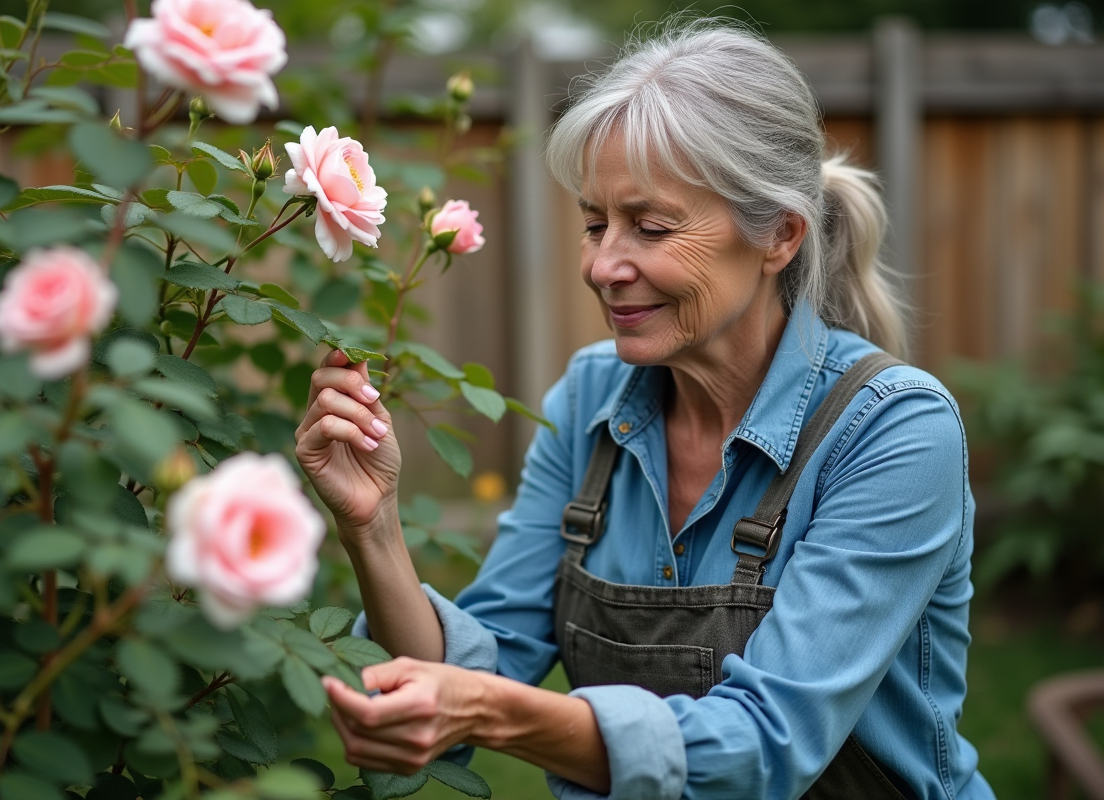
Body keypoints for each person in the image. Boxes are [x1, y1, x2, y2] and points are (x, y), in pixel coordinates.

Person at [293, 19, 997, 800]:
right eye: (595, 224)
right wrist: (373, 525)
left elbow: (768, 744)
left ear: (780, 237)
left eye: (651, 227)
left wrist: (491, 713)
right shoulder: (592, 400)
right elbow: (463, 675)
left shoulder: (894, 432)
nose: (601, 265)